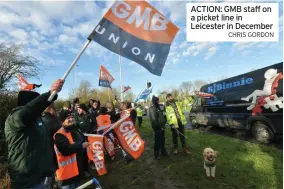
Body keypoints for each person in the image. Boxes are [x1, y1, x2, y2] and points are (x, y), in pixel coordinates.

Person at [4, 79, 64, 189]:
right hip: (27, 182)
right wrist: (49, 94)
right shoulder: (14, 118)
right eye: (36, 102)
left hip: (44, 177)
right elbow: (27, 112)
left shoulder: (39, 120)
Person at [54, 110, 90, 189]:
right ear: (62, 121)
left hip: (77, 170)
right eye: (68, 118)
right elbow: (66, 150)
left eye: (72, 117)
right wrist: (81, 145)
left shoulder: (75, 129)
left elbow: (82, 140)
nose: (71, 119)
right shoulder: (59, 134)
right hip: (66, 175)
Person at [42, 103, 61, 189]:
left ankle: (52, 185)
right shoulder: (54, 120)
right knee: (54, 172)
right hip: (54, 150)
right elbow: (60, 133)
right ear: (51, 109)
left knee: (48, 175)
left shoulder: (40, 119)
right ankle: (55, 184)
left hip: (45, 151)